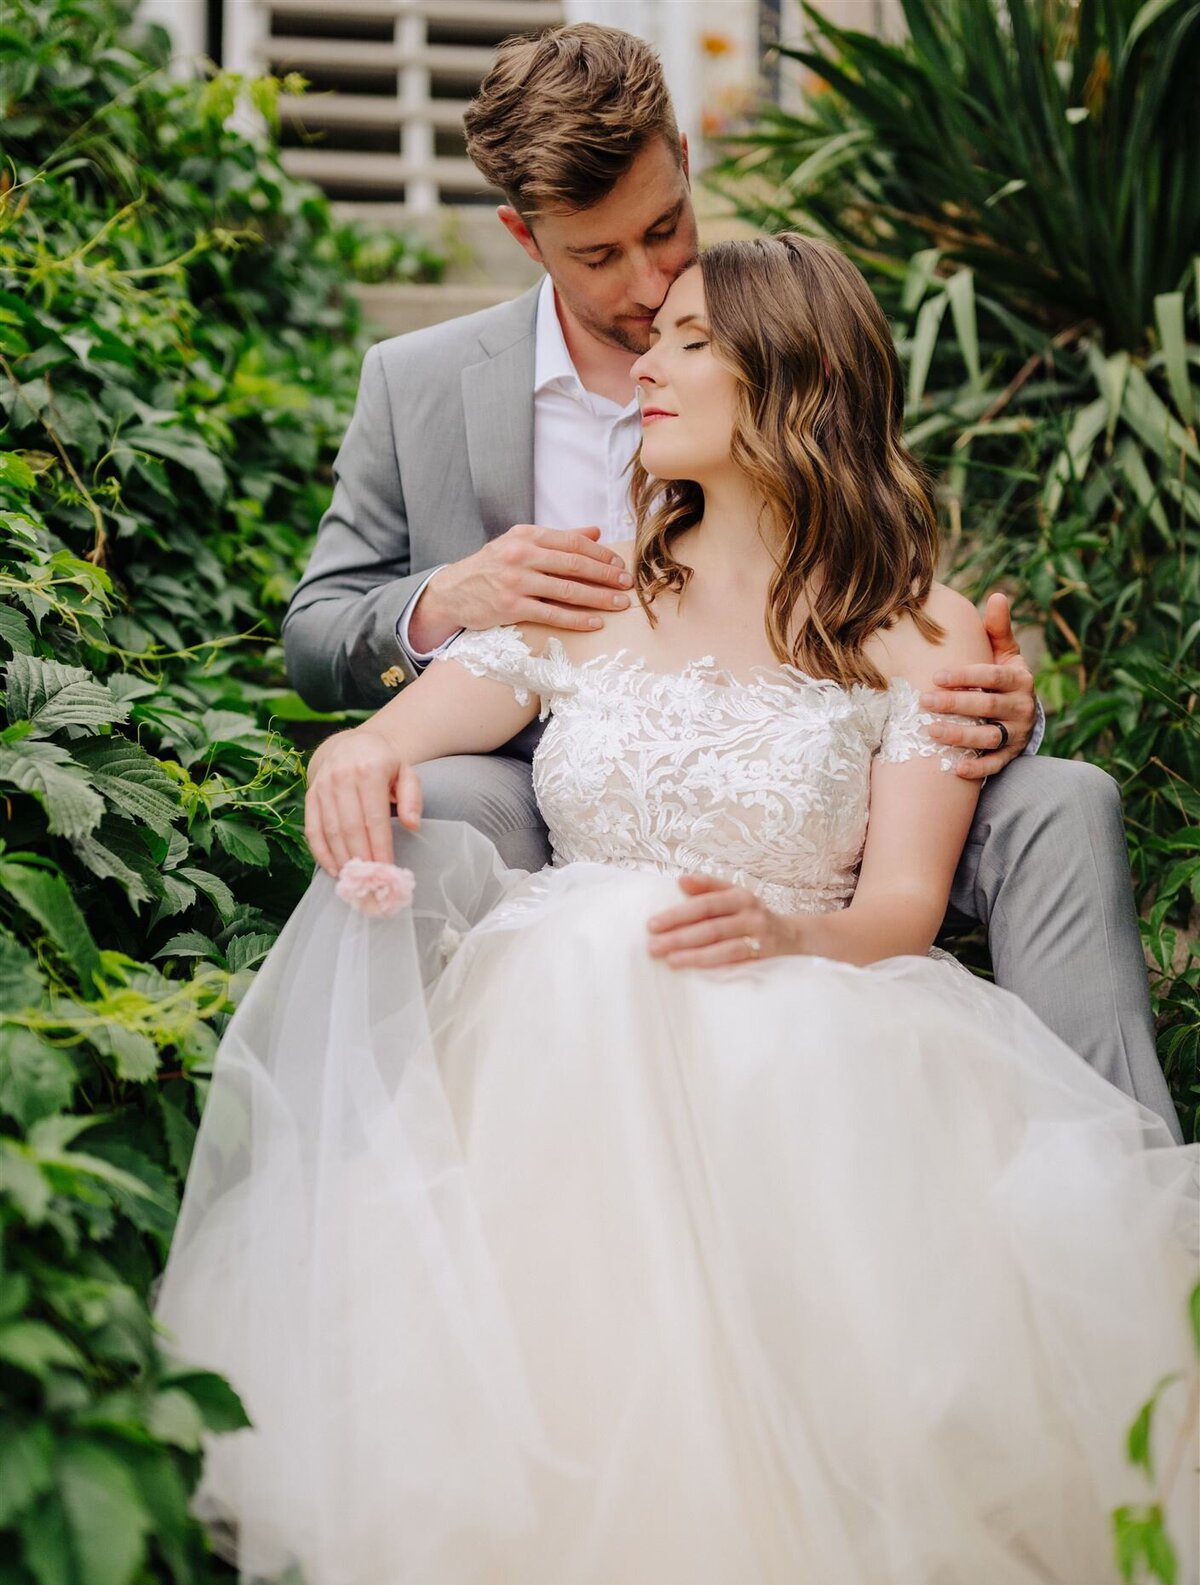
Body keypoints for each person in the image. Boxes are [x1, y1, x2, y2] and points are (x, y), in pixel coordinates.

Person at [157, 235, 1198, 1585]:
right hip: (556, 1025)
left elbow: (904, 910)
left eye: (691, 341)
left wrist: (787, 941)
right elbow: (392, 731)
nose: (645, 360)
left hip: (803, 1006)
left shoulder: (911, 626)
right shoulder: (592, 588)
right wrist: (352, 756)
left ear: (787, 380)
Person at [282, 23, 1181, 1137]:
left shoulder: (782, 310)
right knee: (451, 802)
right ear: (526, 236)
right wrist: (452, 603)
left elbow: (883, 609)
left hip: (815, 787)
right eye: (601, 256)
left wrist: (990, 708)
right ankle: (376, 1136)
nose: (653, 287)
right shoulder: (426, 392)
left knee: (1065, 798)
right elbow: (325, 637)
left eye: (666, 230)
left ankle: (1113, 1168)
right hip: (549, 781)